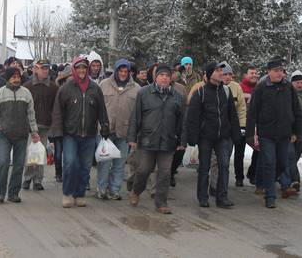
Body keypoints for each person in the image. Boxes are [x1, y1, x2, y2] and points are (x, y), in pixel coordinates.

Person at [51, 56, 110, 208]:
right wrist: (57, 131)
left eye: (84, 68)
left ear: (88, 70)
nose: (82, 71)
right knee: (70, 163)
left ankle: (79, 193)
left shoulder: (95, 88)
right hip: (70, 134)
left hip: (89, 134)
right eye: (79, 68)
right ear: (74, 70)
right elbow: (57, 112)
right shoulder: (66, 88)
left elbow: (102, 109)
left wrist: (104, 125)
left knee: (85, 166)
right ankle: (68, 193)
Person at [246, 57, 302, 208]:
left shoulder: (288, 87)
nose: (280, 74)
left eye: (282, 71)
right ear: (268, 72)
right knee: (270, 162)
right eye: (276, 71)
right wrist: (250, 134)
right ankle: (270, 196)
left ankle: (266, 182)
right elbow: (252, 112)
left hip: (285, 134)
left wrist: (297, 132)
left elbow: (297, 110)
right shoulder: (261, 88)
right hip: (267, 133)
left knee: (283, 162)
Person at [127, 64, 185, 214]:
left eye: (167, 75)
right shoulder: (144, 93)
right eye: (161, 75)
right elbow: (136, 117)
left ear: (171, 78)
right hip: (147, 140)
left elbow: (182, 121)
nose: (164, 78)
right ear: (156, 77)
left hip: (168, 141)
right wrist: (132, 137)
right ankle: (136, 191)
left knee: (165, 172)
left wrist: (182, 141)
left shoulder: (177, 96)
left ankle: (161, 202)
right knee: (144, 170)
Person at [187, 62, 241, 208]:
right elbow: (192, 116)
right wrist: (192, 137)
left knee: (224, 166)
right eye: (217, 71)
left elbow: (232, 115)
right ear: (210, 74)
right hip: (205, 137)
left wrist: (235, 134)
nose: (220, 73)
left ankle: (222, 197)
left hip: (223, 136)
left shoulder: (226, 91)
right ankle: (203, 197)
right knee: (204, 167)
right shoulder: (201, 92)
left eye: (221, 71)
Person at [0, 67, 40, 203]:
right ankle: (0, 193)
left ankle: (14, 193)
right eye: (13, 77)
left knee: (19, 165)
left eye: (18, 77)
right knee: (3, 163)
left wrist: (34, 132)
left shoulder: (26, 93)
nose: (16, 80)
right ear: (8, 79)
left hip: (21, 134)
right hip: (5, 135)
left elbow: (31, 114)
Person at [97, 59, 140, 200]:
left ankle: (114, 190)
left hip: (125, 131)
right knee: (105, 161)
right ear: (116, 71)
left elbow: (137, 113)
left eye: (125, 71)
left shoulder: (136, 89)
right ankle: (101, 189)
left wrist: (135, 133)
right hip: (106, 131)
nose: (123, 74)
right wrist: (100, 126)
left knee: (120, 163)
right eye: (120, 71)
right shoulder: (104, 85)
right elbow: (97, 107)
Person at [22, 59, 59, 191]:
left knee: (40, 153)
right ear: (35, 69)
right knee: (30, 152)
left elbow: (56, 107)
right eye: (42, 68)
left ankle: (38, 180)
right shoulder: (27, 86)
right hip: (30, 125)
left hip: (45, 124)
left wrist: (54, 123)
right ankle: (27, 179)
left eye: (46, 68)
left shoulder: (54, 87)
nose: (45, 70)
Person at [221, 62, 247, 187]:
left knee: (234, 154)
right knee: (220, 156)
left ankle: (237, 178)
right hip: (218, 127)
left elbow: (241, 108)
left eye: (230, 74)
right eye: (225, 74)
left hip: (233, 127)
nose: (227, 76)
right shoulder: (214, 86)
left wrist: (242, 126)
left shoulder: (236, 87)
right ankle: (217, 180)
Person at [240, 65, 260, 185]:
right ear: (245, 75)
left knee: (258, 149)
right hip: (242, 123)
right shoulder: (240, 87)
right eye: (251, 73)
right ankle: (239, 177)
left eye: (255, 73)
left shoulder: (259, 88)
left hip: (256, 124)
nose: (254, 75)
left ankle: (253, 173)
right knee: (240, 150)